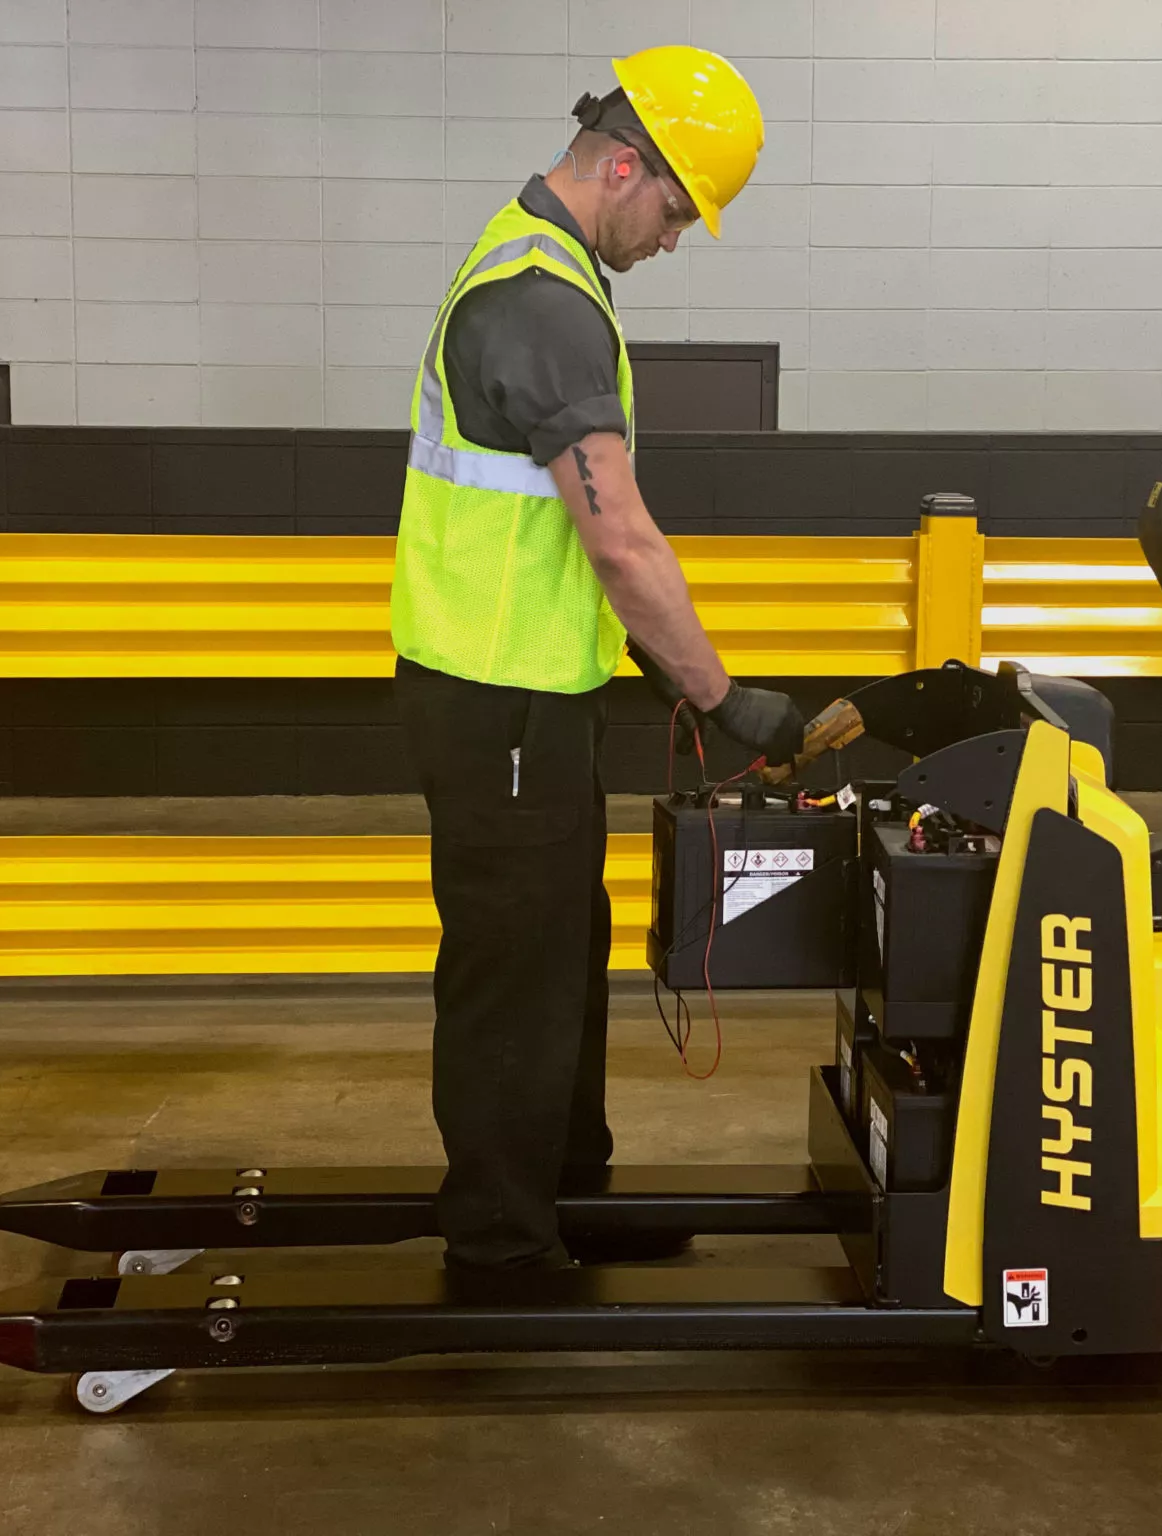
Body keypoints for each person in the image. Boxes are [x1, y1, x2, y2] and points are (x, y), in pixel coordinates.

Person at [389, 46, 805, 1270]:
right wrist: (723, 699)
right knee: (513, 974)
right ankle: (500, 1244)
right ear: (624, 164)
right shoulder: (539, 302)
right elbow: (615, 536)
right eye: (674, 211)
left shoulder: (546, 270)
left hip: (531, 693)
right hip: (495, 695)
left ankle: (564, 1189)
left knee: (561, 945)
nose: (672, 240)